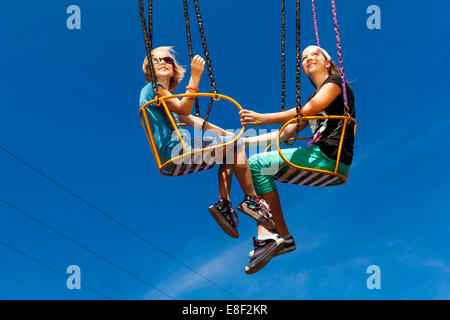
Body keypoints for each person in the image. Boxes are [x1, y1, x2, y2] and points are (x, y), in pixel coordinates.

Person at [239, 45, 356, 274]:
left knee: (259, 164)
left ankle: (267, 234)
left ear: (327, 62)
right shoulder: (316, 95)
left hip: (329, 157)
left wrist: (263, 118)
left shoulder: (335, 83)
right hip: (321, 157)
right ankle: (282, 237)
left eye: (315, 54)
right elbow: (284, 133)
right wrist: (241, 142)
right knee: (259, 166)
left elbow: (308, 109)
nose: (309, 58)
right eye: (304, 57)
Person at [139, 46, 274, 239]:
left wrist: (229, 135)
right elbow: (185, 110)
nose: (162, 62)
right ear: (148, 69)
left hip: (174, 155)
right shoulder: (155, 88)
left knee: (230, 149)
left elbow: (195, 121)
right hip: (176, 150)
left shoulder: (165, 97)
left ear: (174, 70)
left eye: (167, 60)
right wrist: (195, 77)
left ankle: (224, 205)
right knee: (234, 146)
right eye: (156, 60)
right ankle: (252, 200)